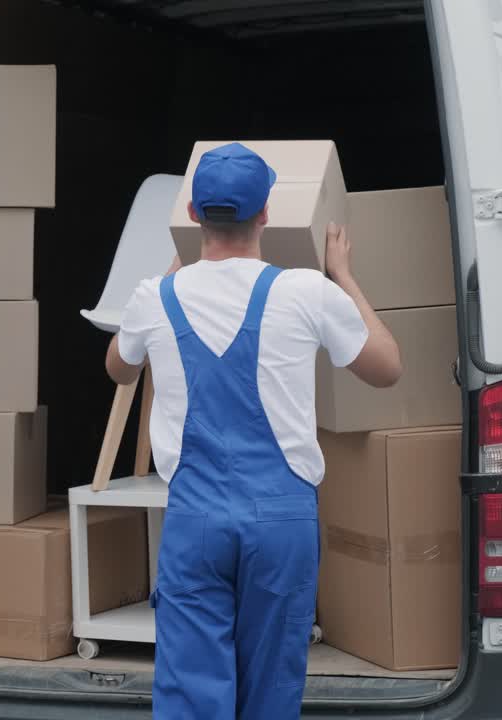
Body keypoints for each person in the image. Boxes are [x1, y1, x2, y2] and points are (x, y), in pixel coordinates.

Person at [105, 142, 402, 719]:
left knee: (192, 694)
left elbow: (118, 367)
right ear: (266, 214)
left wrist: (163, 283)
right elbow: (387, 368)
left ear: (192, 215)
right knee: (270, 691)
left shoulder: (156, 298)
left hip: (196, 521)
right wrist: (343, 276)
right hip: (281, 521)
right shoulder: (306, 292)